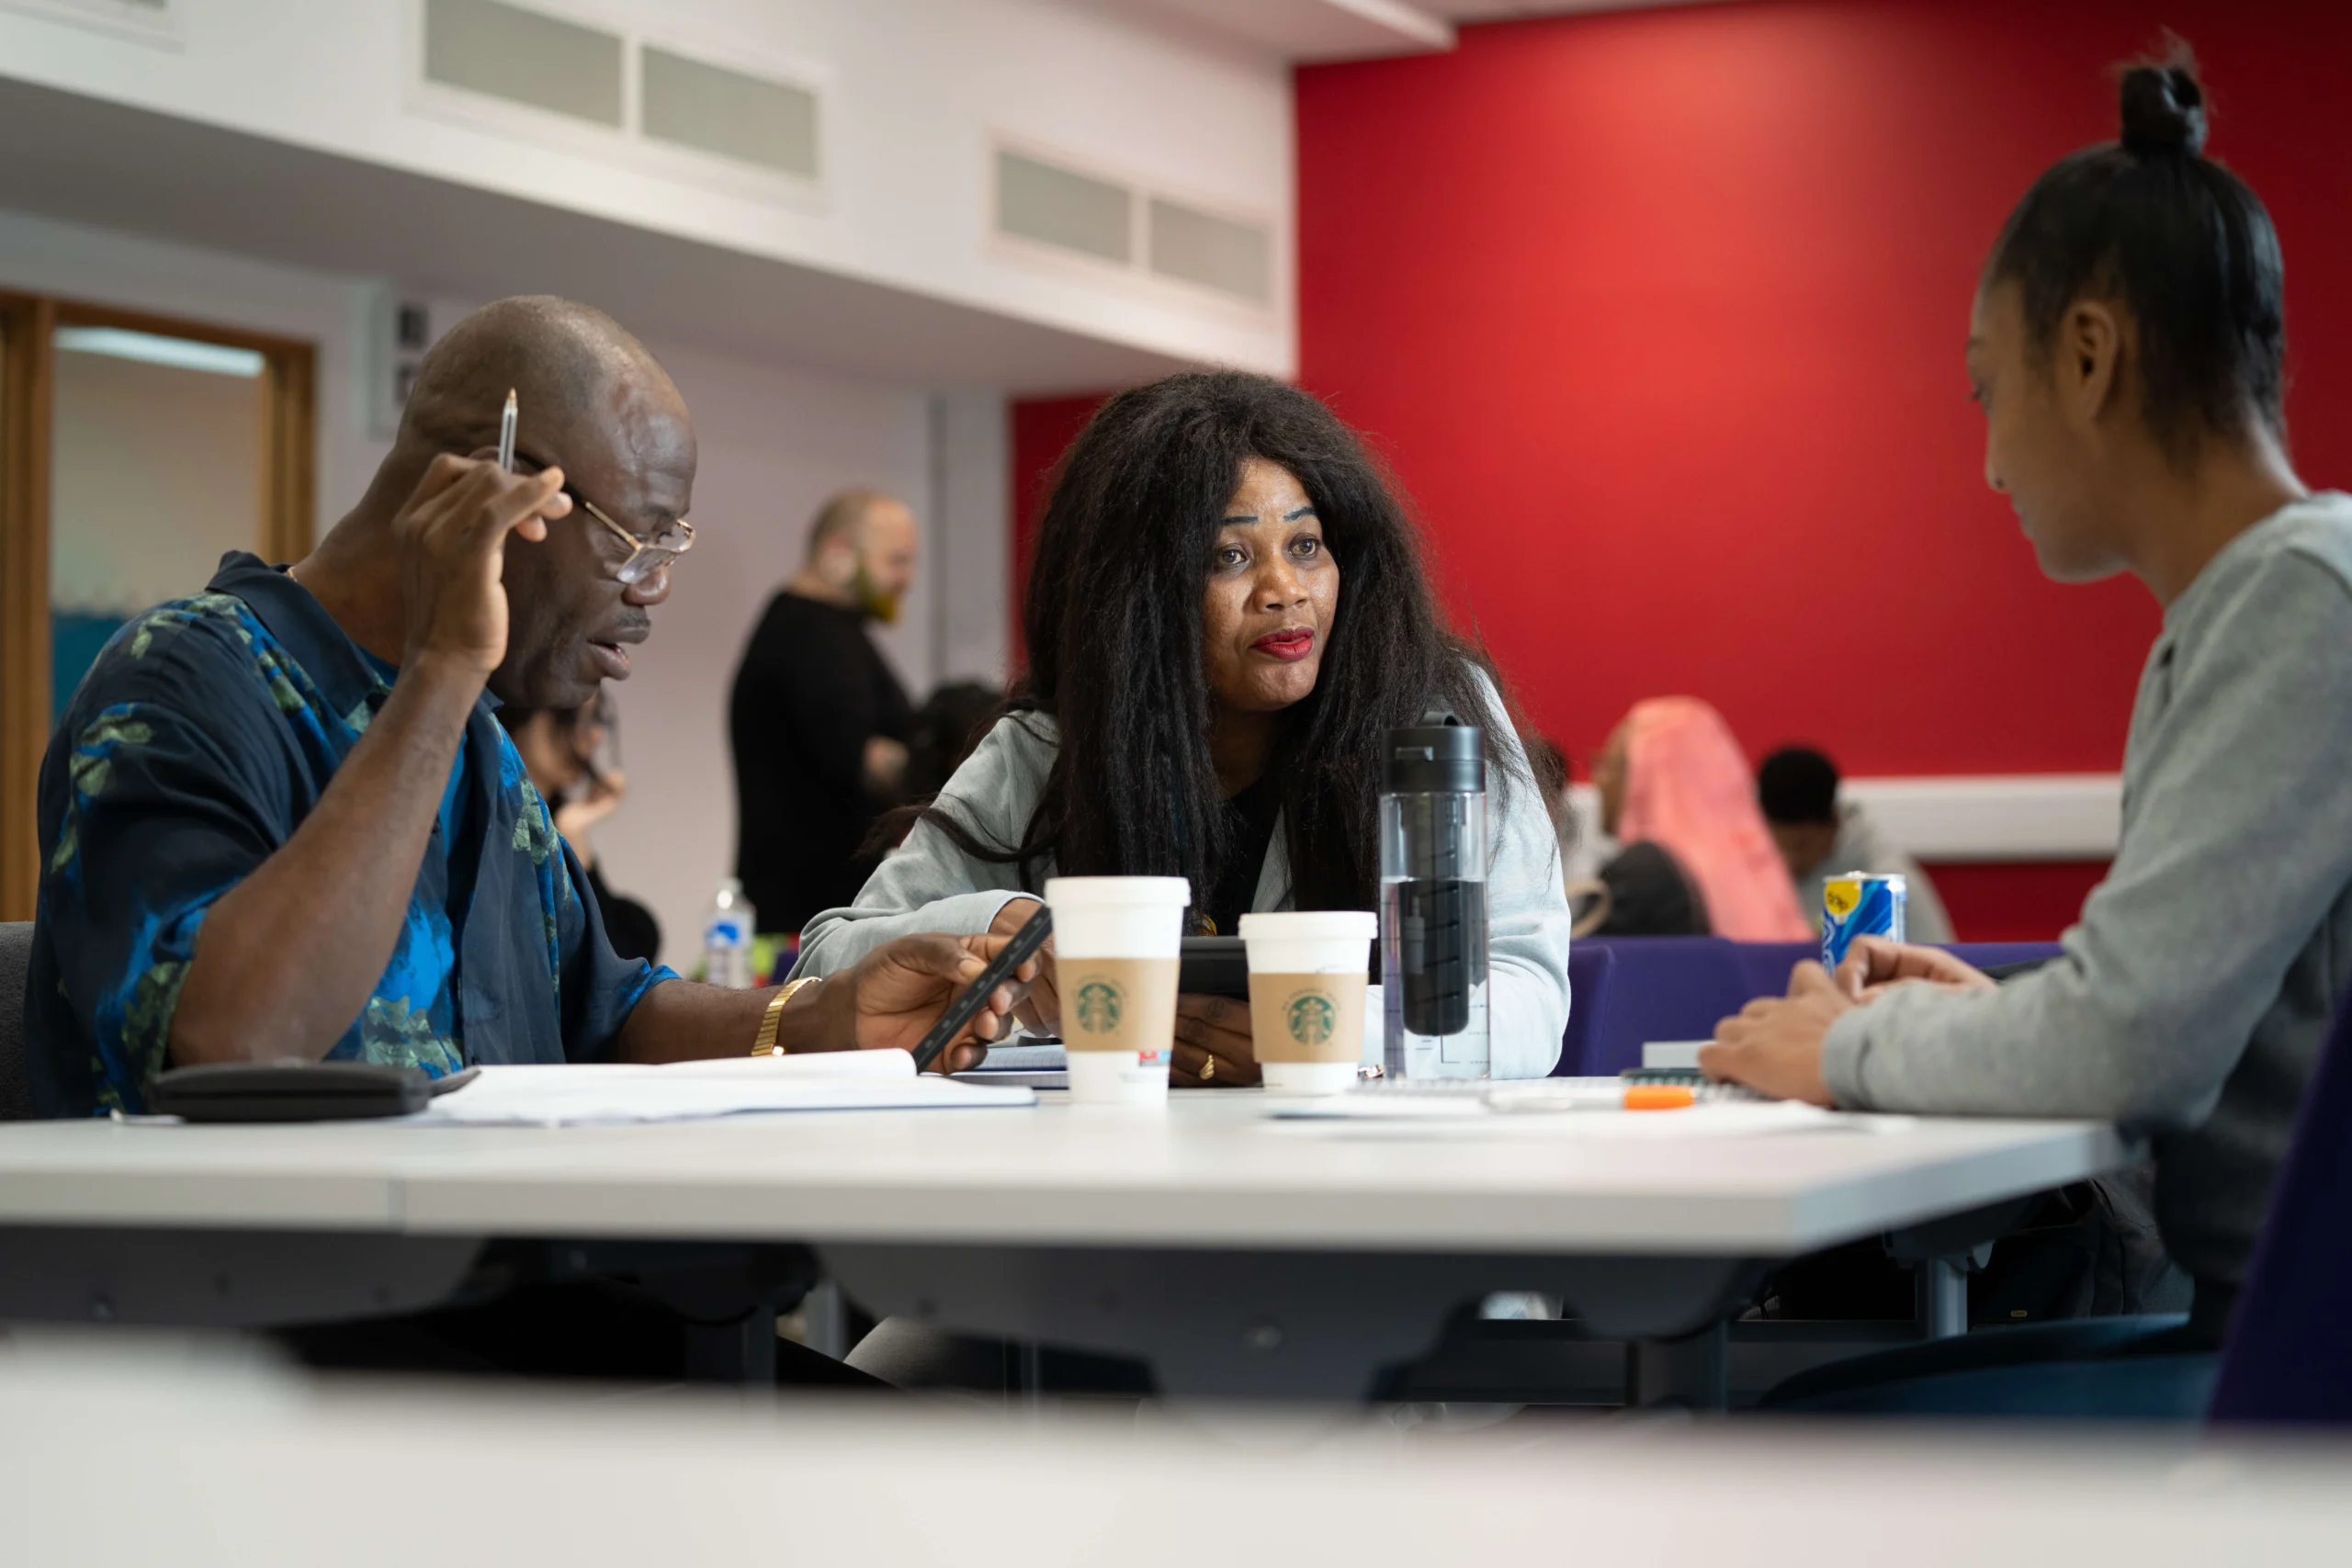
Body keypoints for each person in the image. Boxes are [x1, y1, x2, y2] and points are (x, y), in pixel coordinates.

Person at [1705, 56, 2351, 1398]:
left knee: (1793, 1423)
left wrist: (1840, 1049)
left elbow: (2136, 1050)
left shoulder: (2302, 600)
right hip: (2259, 1321)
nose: (1991, 459)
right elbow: (2182, 1022)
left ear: (2091, 354)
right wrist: (2014, 1017)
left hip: (2292, 1358)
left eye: (1987, 388)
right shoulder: (2259, 603)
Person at [28, 296, 1029, 1125]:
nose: (652, 590)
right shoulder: (188, 681)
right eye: (634, 540)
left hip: (488, 1300)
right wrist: (442, 671)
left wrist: (829, 1015)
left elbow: (610, 1012)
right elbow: (236, 1044)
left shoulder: (476, 742)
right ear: (491, 491)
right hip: (272, 1330)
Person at [794, 371, 1573, 1085]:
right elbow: (828, 964)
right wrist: (993, 927)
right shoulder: (1052, 745)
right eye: (1229, 556)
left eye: (1305, 546)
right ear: (1142, 598)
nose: (1284, 590)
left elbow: (1526, 996)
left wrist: (1312, 1032)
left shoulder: (1431, 719)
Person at [728, 489, 920, 938]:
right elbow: (859, 757)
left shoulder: (830, 631)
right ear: (839, 553)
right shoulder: (809, 637)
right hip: (810, 921)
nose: (907, 578)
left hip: (822, 912)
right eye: (896, 560)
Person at [1589, 697, 1811, 941]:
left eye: (1609, 764)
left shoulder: (1640, 872)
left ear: (1646, 775)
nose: (1599, 780)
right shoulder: (1756, 869)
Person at [500, 694, 662, 963]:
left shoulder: (554, 818)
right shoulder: (489, 824)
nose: (595, 734)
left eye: (595, 717)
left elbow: (617, 963)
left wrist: (572, 832)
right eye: (573, 715)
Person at [1758, 745, 1954, 944]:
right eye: (1778, 845)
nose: (1791, 859)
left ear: (1833, 825)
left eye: (1801, 845)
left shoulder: (1884, 885)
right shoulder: (1751, 868)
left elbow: (1941, 968)